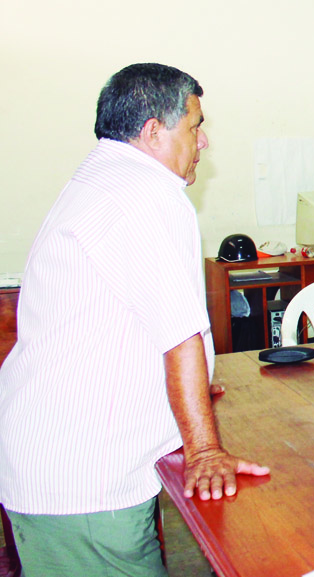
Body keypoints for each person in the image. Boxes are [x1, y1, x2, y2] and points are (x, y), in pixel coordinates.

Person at [0, 63, 269, 576]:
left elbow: (122, 316)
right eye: (194, 126)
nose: (203, 141)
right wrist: (205, 450)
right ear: (153, 131)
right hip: (83, 482)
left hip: (54, 457)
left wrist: (177, 389)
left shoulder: (105, 179)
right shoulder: (146, 193)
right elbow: (180, 335)